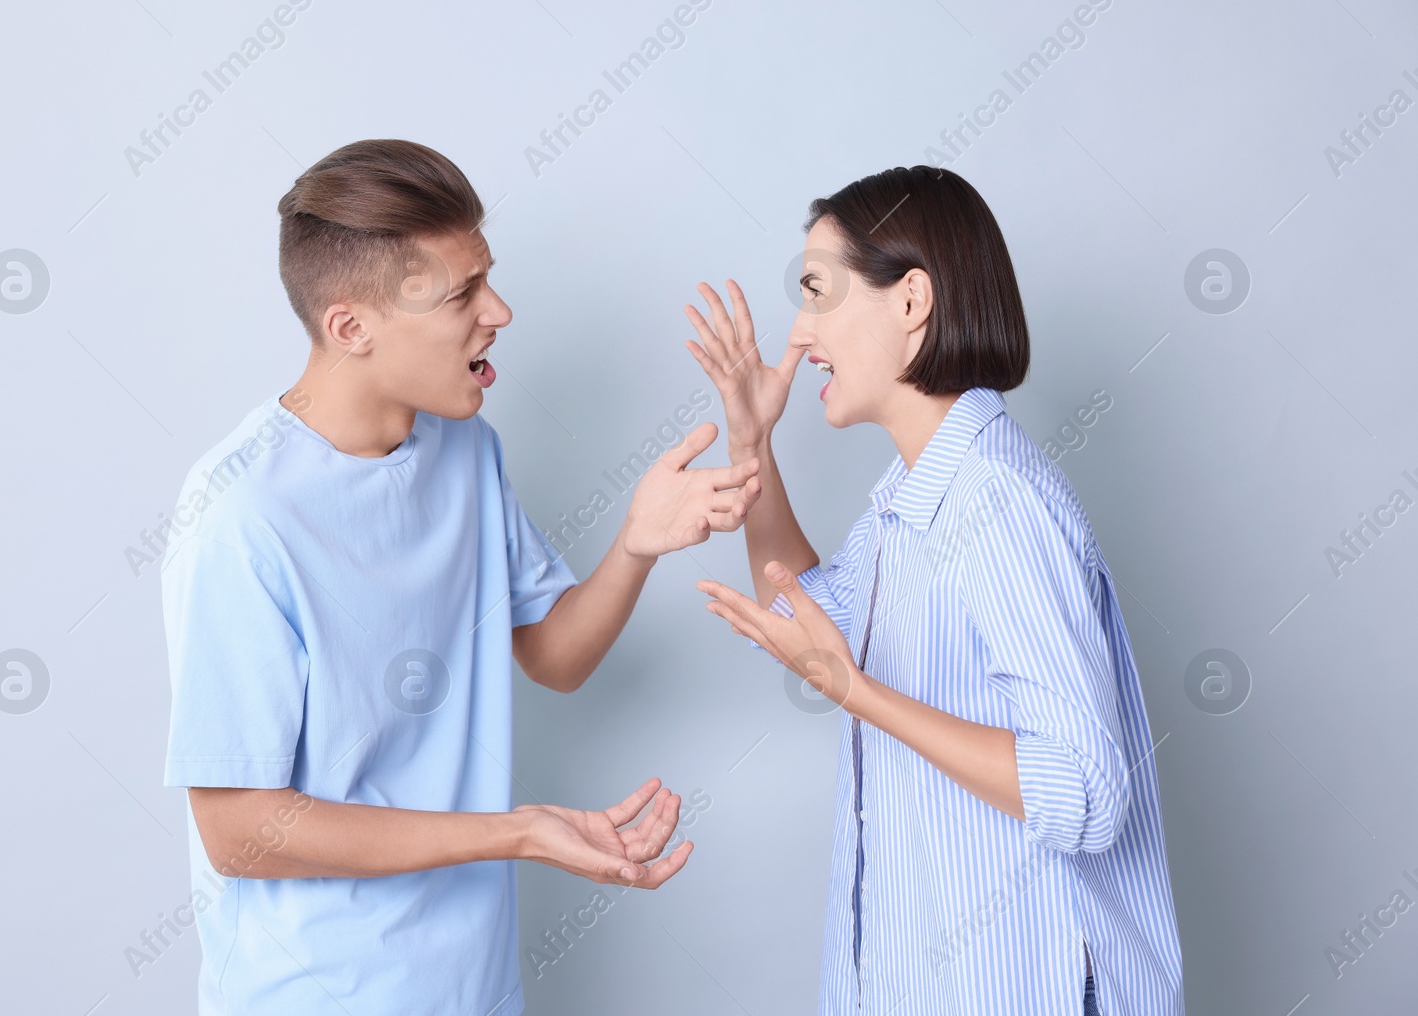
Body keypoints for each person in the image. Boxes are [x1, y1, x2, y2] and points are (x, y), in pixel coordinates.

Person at [160, 139, 762, 1015]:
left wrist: (637, 542)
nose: (501, 311)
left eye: (490, 277)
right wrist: (516, 830)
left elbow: (555, 654)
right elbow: (240, 829)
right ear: (351, 327)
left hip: (473, 988)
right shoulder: (239, 516)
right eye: (462, 295)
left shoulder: (466, 452)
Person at [687, 165, 1182, 1015]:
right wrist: (751, 437)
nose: (800, 333)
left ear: (911, 299)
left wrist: (856, 692)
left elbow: (1085, 791)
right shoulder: (913, 501)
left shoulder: (994, 499)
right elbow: (804, 611)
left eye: (818, 292)